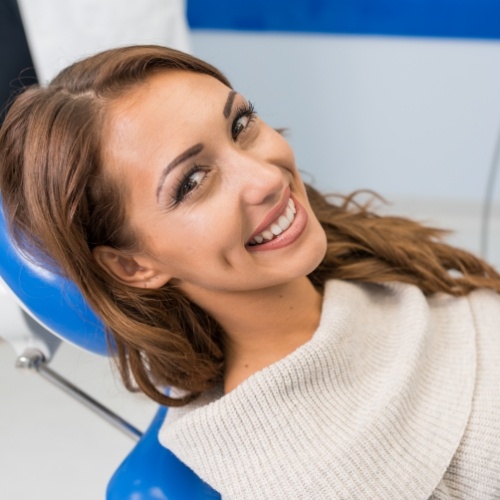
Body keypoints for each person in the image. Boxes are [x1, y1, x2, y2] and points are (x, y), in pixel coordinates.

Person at [0, 45, 499, 499]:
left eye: (240, 125)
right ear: (134, 264)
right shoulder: (302, 475)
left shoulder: (374, 263)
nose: (266, 176)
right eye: (192, 182)